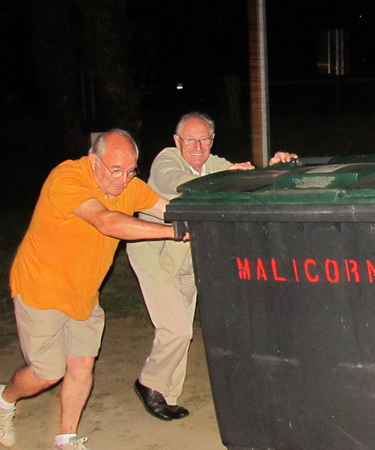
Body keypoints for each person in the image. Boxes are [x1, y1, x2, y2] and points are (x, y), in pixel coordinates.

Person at [0, 130, 187, 450]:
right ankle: (3, 398)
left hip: (84, 293)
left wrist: (206, 216)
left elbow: (170, 208)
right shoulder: (67, 178)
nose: (123, 179)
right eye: (116, 170)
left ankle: (66, 438)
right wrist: (172, 233)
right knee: (47, 373)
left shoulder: (129, 186)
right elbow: (106, 222)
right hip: (42, 288)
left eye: (131, 170)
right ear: (94, 161)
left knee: (81, 365)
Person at [126, 112, 297, 421]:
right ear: (177, 141)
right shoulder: (166, 161)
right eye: (190, 139)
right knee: (176, 330)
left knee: (181, 330)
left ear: (212, 141)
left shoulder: (213, 163)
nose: (197, 146)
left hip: (189, 259)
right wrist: (227, 175)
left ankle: (167, 393)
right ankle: (148, 384)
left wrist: (275, 167)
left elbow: (245, 176)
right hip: (154, 256)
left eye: (204, 139)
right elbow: (180, 185)